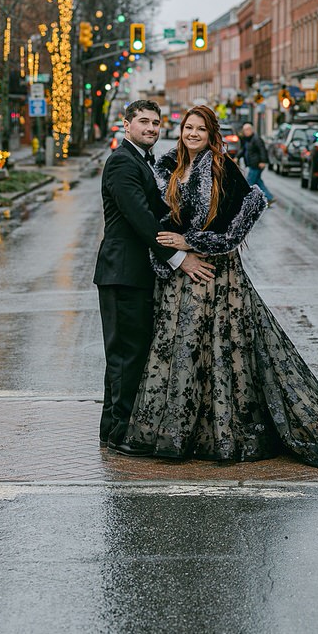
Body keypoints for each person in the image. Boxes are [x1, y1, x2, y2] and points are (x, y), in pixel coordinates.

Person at [123, 105, 318, 466]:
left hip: (219, 275)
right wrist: (172, 250)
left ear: (211, 135)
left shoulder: (223, 168)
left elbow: (238, 226)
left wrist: (192, 242)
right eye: (188, 127)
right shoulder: (166, 167)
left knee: (224, 351)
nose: (193, 134)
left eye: (201, 130)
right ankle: (179, 432)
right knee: (183, 349)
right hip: (180, 277)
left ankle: (226, 433)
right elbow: (159, 219)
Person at [93, 99, 215, 454]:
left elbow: (164, 213)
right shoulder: (121, 163)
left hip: (134, 274)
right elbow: (142, 220)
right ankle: (120, 435)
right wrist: (181, 258)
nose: (150, 128)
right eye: (143, 121)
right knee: (126, 356)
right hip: (122, 273)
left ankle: (111, 429)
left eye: (156, 123)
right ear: (126, 124)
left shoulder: (142, 162)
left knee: (126, 354)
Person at [240, 121, 274, 204]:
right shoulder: (248, 140)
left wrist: (262, 161)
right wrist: (237, 157)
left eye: (247, 130)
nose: (245, 132)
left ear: (251, 130)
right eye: (244, 130)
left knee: (250, 183)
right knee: (258, 182)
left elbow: (262, 150)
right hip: (252, 164)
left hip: (256, 164)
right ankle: (269, 197)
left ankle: (247, 201)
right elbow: (243, 150)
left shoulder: (256, 139)